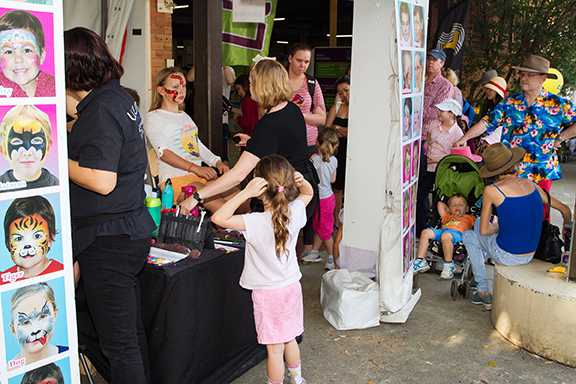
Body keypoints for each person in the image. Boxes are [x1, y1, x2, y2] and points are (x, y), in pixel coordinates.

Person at [65, 27, 156, 384]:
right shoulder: (118, 99)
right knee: (129, 337)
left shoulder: (100, 110)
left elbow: (103, 181)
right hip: (127, 231)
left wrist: (54, 161)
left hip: (108, 240)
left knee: (119, 344)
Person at [180, 59, 317, 254]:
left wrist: (197, 196)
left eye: (252, 82)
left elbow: (237, 175)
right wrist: (255, 142)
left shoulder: (268, 126)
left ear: (262, 86)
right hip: (303, 185)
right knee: (285, 254)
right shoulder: (291, 109)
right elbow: (285, 143)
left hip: (284, 196)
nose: (249, 86)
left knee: (271, 255)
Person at [211, 155, 313, 384]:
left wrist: (244, 193)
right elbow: (308, 194)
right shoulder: (295, 211)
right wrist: (302, 181)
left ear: (258, 184)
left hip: (268, 295)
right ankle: (298, 379)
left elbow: (218, 217)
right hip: (291, 288)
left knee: (274, 350)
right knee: (290, 339)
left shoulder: (255, 222)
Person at [462, 143, 572, 310]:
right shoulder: (531, 184)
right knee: (479, 233)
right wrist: (566, 229)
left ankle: (483, 290)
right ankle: (481, 287)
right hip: (532, 251)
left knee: (471, 234)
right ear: (515, 165)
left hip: (509, 255)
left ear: (493, 173)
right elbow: (565, 209)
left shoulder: (492, 190)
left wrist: (500, 227)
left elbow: (484, 230)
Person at [455, 55, 576, 195]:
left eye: (529, 75)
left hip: (541, 171)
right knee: (510, 212)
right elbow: (487, 122)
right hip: (511, 171)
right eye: (522, 74)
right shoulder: (511, 102)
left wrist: (561, 137)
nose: (523, 78)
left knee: (539, 213)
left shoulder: (558, 104)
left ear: (543, 78)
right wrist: (464, 138)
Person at [144, 67, 244, 213]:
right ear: (161, 90)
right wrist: (197, 168)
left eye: (184, 86)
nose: (182, 90)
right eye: (175, 87)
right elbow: (163, 153)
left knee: (242, 199)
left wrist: (217, 162)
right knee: (225, 209)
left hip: (197, 178)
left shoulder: (185, 116)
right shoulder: (153, 117)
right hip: (175, 181)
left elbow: (197, 146)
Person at [417, 98, 465, 234]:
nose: (438, 112)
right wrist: (424, 156)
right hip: (427, 167)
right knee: (421, 196)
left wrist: (436, 161)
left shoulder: (457, 134)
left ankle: (441, 228)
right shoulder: (433, 125)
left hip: (444, 169)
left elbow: (454, 157)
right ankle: (421, 229)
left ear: (451, 114)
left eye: (442, 110)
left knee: (441, 199)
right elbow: (427, 142)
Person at [1, 196, 62, 285]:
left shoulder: (62, 271)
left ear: (50, 239)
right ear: (8, 242)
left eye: (36, 236)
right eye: (19, 238)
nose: (27, 245)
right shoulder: (3, 280)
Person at [412, 194, 475, 279]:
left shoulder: (470, 217)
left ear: (467, 208)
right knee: (425, 232)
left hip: (458, 234)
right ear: (449, 208)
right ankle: (420, 260)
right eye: (454, 205)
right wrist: (449, 210)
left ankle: (449, 264)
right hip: (442, 231)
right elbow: (439, 204)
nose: (457, 206)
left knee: (445, 236)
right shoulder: (447, 215)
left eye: (461, 205)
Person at [8, 282, 67, 370]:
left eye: (42, 316)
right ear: (13, 330)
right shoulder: (5, 373)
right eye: (25, 322)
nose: (35, 330)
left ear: (55, 315)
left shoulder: (68, 354)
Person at [302, 128, 339, 269]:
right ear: (334, 146)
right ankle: (315, 252)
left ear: (317, 142)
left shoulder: (313, 160)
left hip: (320, 199)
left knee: (325, 231)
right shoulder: (334, 160)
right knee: (321, 226)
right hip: (329, 198)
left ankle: (332, 257)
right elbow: (333, 180)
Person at [0, 105, 59, 191]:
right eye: (16, 141)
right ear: (4, 151)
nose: (27, 151)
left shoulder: (57, 185)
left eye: (36, 140)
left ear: (48, 147)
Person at [0, 10, 55, 97]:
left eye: (27, 50)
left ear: (41, 56)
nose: (18, 59)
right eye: (9, 52)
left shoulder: (54, 86)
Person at [287, 43, 326, 153]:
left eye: (306, 62)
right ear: (290, 58)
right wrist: (289, 110)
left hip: (308, 145)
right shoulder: (278, 83)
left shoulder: (312, 84)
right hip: (283, 143)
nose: (302, 65)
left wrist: (299, 115)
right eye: (299, 60)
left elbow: (322, 119)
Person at [325, 76, 350, 226]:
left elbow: (355, 132)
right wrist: (340, 131)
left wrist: (337, 128)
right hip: (337, 151)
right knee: (337, 189)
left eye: (346, 90)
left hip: (353, 152)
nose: (344, 94)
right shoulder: (337, 107)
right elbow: (327, 131)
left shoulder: (360, 107)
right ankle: (337, 221)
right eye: (340, 92)